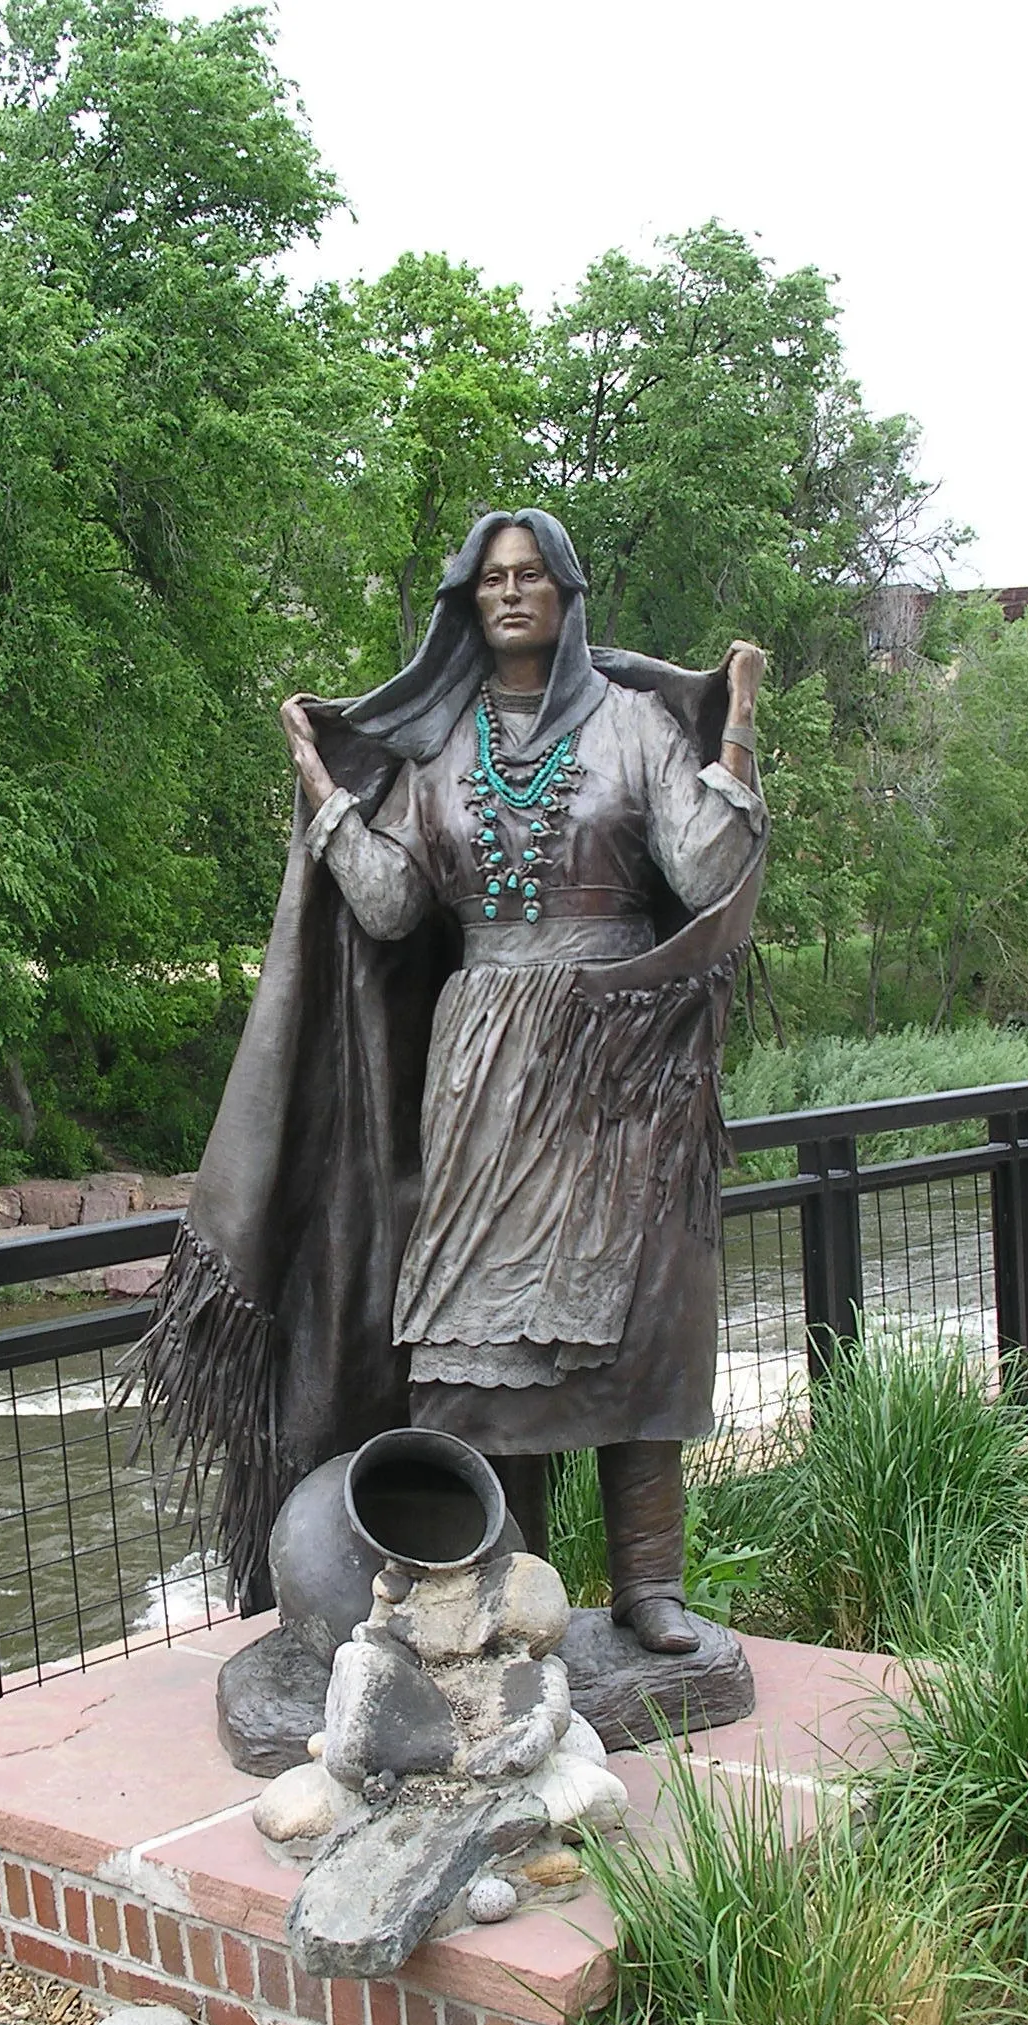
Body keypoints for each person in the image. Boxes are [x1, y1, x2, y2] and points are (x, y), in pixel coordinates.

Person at [139, 509, 768, 1650]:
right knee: (483, 1346)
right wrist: (322, 791)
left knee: (641, 1317)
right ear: (468, 603)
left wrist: (737, 734)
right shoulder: (441, 753)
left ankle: (649, 1585)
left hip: (620, 1063)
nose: (510, 593)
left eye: (530, 575)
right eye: (490, 580)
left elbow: (701, 864)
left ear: (566, 592)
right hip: (482, 1068)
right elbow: (389, 907)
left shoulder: (631, 726)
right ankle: (511, 1589)